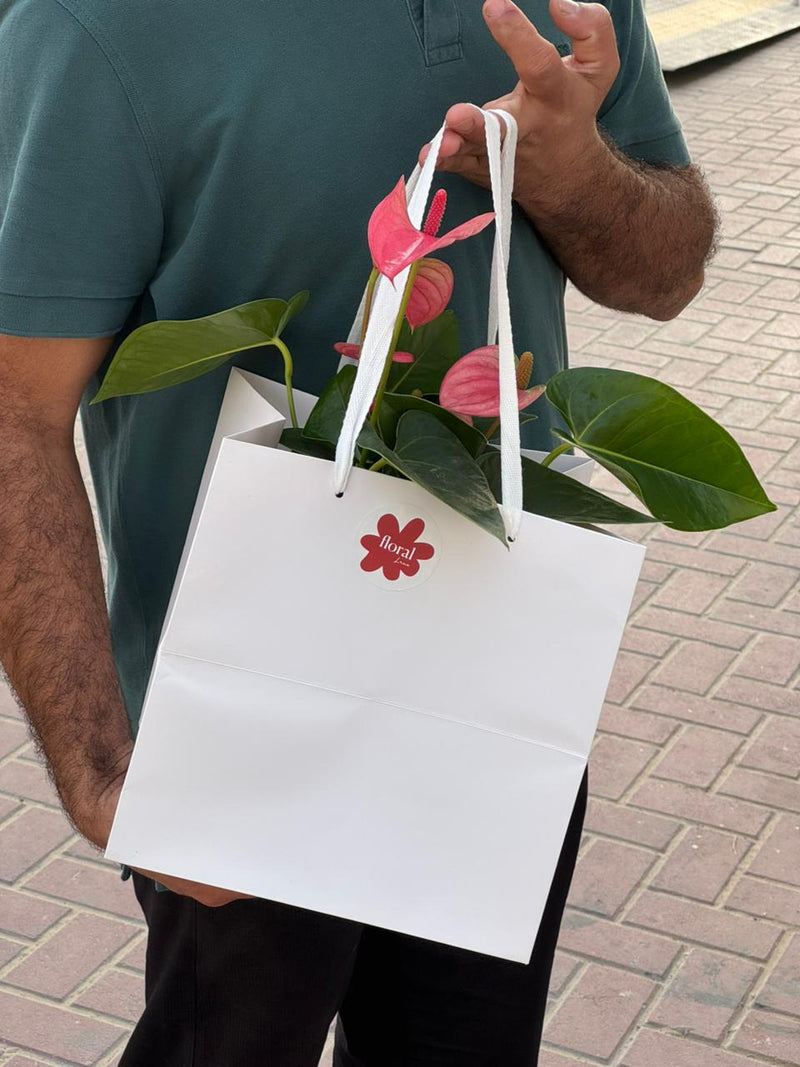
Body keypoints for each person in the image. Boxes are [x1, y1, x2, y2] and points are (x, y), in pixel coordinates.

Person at [0, 0, 716, 1062]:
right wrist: (103, 767)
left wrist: (577, 176)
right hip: (240, 708)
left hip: (494, 692)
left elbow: (662, 273)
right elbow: (17, 404)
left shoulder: (566, 14)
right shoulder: (92, 23)